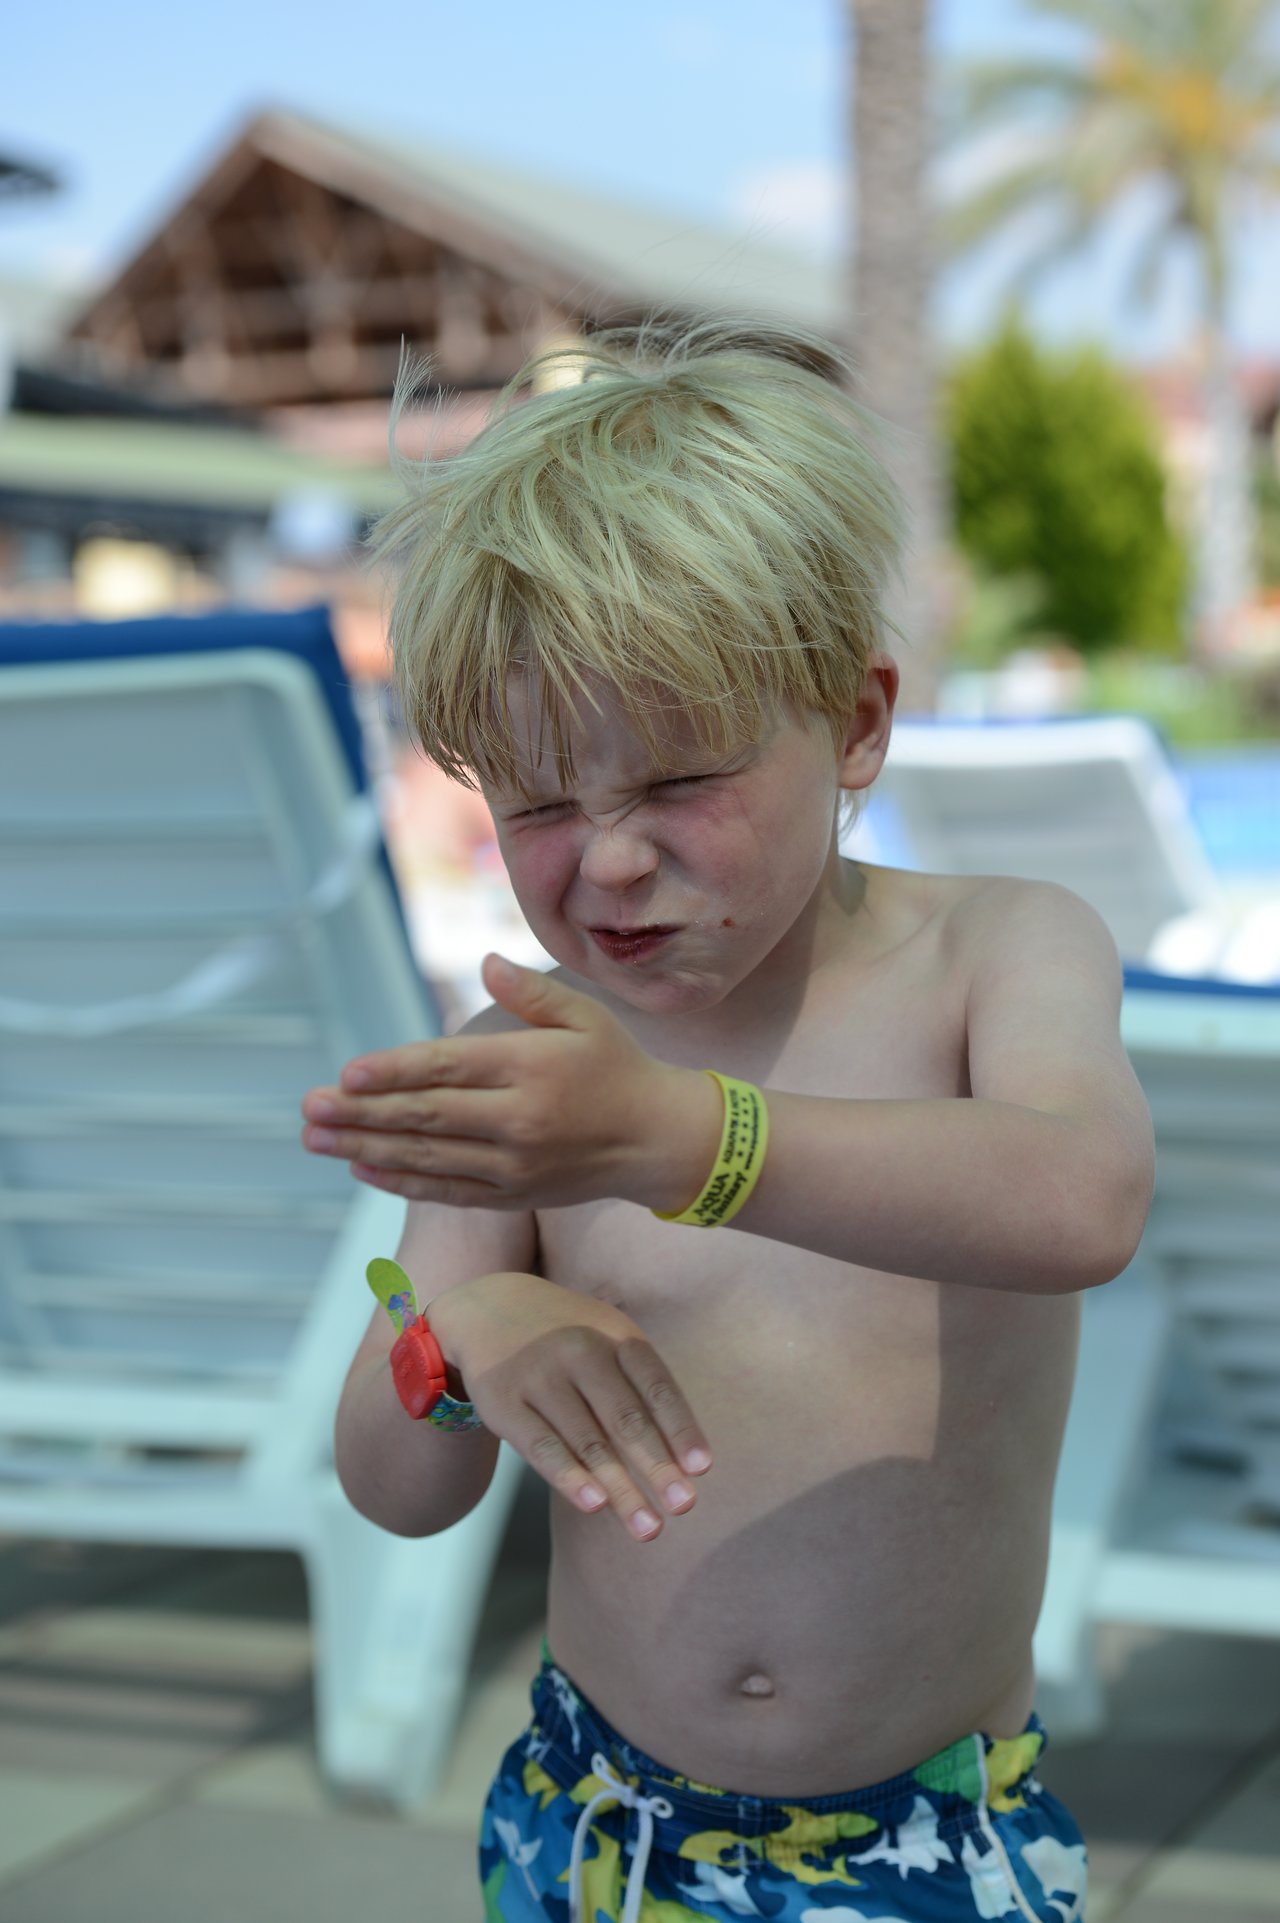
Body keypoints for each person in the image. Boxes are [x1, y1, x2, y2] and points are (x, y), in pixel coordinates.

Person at [300, 318, 1154, 1923]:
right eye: (542, 803)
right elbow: (397, 1488)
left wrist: (683, 1142)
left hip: (923, 1843)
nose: (607, 861)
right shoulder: (530, 1059)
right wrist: (464, 1336)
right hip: (597, 1826)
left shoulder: (997, 952)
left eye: (677, 777)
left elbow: (1078, 1200)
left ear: (854, 722)